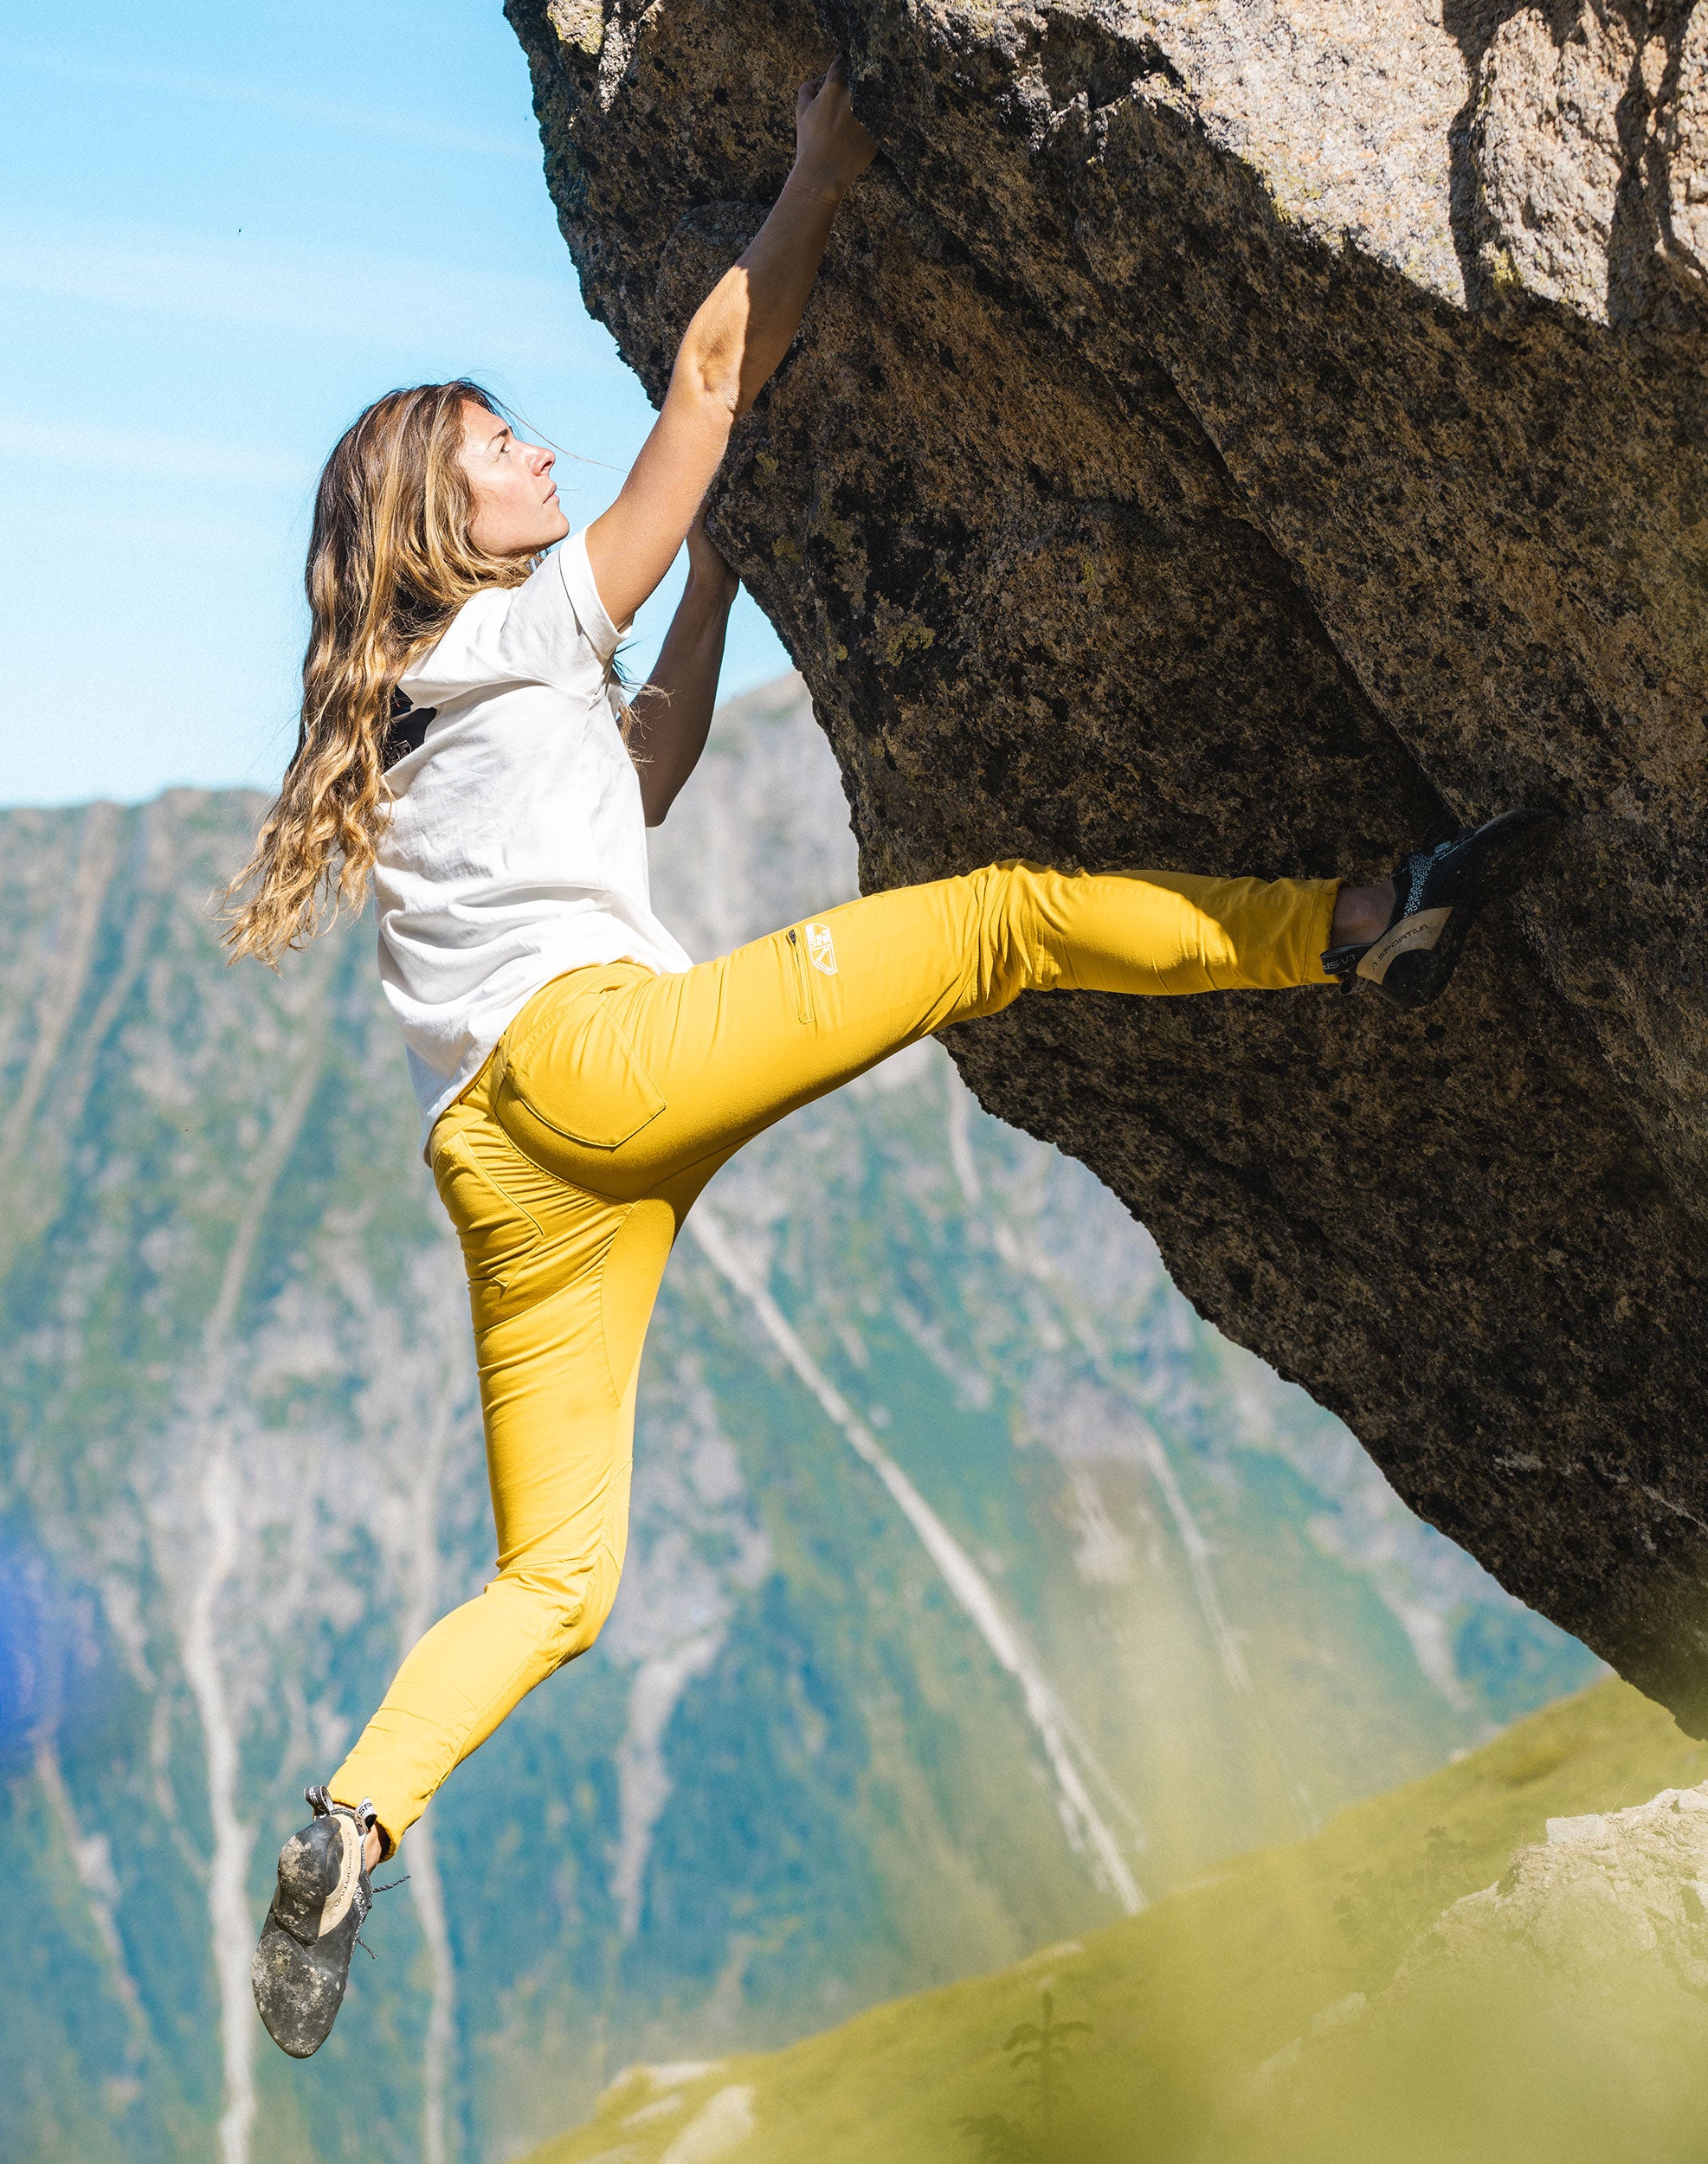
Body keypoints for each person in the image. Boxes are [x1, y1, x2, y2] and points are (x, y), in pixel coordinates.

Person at [223, 61, 1551, 2058]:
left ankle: (353, 1817)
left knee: (559, 1580)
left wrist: (728, 589)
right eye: (494, 446)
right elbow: (702, 391)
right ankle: (1353, 923)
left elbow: (641, 774)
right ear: (440, 518)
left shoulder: (439, 701)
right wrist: (808, 176)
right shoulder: (500, 632)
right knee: (999, 916)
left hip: (508, 1160)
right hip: (605, 1067)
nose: (527, 447)